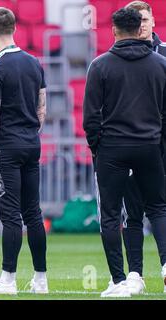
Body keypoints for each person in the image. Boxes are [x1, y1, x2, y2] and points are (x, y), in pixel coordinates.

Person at [83, 8, 166, 298]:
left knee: (111, 216)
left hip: (113, 150)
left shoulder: (100, 65)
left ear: (115, 31)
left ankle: (120, 281)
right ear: (139, 27)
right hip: (150, 147)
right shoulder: (160, 64)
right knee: (158, 208)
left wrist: (98, 148)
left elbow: (90, 118)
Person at [0, 7, 48, 295]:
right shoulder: (34, 62)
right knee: (33, 213)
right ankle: (40, 280)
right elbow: (42, 108)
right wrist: (30, 133)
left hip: (6, 147)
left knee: (10, 217)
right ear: (15, 28)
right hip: (31, 144)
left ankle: (7, 279)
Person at [119, 1, 166, 295]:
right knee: (132, 212)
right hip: (134, 144)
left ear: (152, 21)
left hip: (161, 145)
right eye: (137, 20)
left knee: (161, 208)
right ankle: (135, 273)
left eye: (145, 18)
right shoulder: (119, 58)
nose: (142, 24)